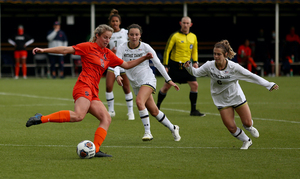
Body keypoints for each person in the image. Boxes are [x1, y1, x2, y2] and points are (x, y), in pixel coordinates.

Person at [25, 24, 154, 157]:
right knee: (79, 115)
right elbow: (65, 50)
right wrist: (44, 50)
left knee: (106, 118)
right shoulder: (88, 47)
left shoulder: (108, 54)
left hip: (93, 91)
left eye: (109, 38)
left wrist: (144, 57)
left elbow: (126, 65)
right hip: (83, 85)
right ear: (97, 36)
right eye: (105, 37)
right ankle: (41, 118)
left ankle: (96, 149)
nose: (107, 40)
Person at [184, 40, 279, 149]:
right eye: (214, 54)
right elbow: (196, 73)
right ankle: (246, 140)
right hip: (221, 99)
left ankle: (249, 127)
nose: (216, 56)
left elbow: (250, 76)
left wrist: (268, 84)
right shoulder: (209, 65)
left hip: (236, 96)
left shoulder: (234, 67)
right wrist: (188, 67)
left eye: (218, 54)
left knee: (247, 123)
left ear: (225, 55)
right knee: (231, 127)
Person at [114, 24, 181, 141]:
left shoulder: (146, 47)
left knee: (139, 101)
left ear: (140, 35)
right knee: (154, 111)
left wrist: (169, 80)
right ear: (127, 35)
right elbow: (116, 63)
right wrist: (117, 75)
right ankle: (173, 127)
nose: (134, 37)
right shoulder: (122, 47)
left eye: (136, 34)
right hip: (135, 83)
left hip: (147, 79)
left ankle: (148, 132)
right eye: (131, 34)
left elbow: (158, 64)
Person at [156, 16, 205, 117]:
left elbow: (194, 50)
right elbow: (167, 50)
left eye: (187, 23)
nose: (186, 25)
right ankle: (156, 108)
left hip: (187, 66)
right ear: (180, 23)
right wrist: (165, 65)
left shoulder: (193, 37)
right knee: (166, 87)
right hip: (175, 66)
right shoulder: (174, 36)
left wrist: (195, 61)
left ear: (191, 24)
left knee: (195, 85)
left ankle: (193, 111)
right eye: (184, 23)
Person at [105, 9, 134, 120]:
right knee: (108, 86)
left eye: (117, 21)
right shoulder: (108, 34)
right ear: (110, 22)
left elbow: (132, 43)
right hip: (112, 62)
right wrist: (109, 51)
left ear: (120, 22)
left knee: (126, 87)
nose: (115, 23)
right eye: (113, 21)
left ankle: (130, 112)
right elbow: (104, 47)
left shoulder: (125, 32)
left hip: (123, 63)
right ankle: (111, 111)